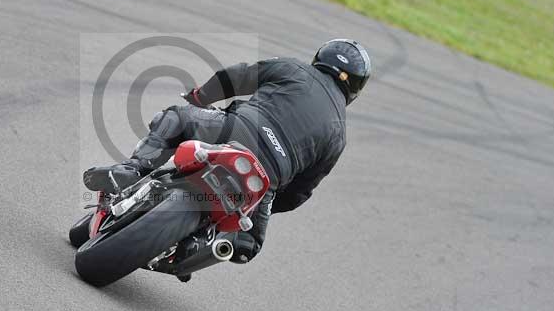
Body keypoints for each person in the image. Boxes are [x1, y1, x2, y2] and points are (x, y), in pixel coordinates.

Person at [83, 39, 371, 264]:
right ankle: (197, 245)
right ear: (356, 88)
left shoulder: (295, 68)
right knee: (245, 247)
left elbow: (236, 77)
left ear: (319, 59)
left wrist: (200, 97)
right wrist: (263, 200)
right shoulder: (339, 135)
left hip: (233, 131)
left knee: (176, 117)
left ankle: (133, 169)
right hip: (267, 177)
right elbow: (300, 192)